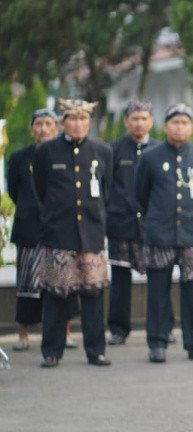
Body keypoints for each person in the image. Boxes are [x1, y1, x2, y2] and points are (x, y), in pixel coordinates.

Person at [32, 99, 113, 368]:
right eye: (72, 119)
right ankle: (52, 351)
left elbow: (106, 190)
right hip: (58, 233)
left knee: (94, 295)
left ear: (89, 122)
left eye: (83, 119)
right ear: (62, 122)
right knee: (55, 295)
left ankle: (95, 351)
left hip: (90, 233)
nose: (78, 124)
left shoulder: (102, 150)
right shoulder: (46, 152)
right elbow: (41, 189)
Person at [135, 103, 193, 363]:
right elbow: (140, 194)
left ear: (191, 127)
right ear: (165, 126)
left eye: (184, 123)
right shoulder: (150, 157)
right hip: (160, 234)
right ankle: (157, 343)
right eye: (175, 122)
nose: (179, 127)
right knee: (158, 292)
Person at [6, 109, 77, 352]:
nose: (43, 128)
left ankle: (65, 334)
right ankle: (24, 335)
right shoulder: (18, 157)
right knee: (27, 283)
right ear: (31, 129)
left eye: (48, 123)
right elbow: (14, 191)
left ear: (56, 127)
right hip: (29, 227)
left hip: (60, 228)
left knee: (62, 283)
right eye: (39, 124)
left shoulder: (66, 154)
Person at [106, 100, 175, 346]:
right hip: (121, 224)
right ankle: (118, 329)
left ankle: (164, 327)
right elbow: (105, 188)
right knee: (120, 281)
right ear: (126, 121)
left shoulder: (160, 150)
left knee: (159, 280)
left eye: (144, 118)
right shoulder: (113, 150)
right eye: (134, 118)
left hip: (152, 227)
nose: (139, 123)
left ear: (152, 122)